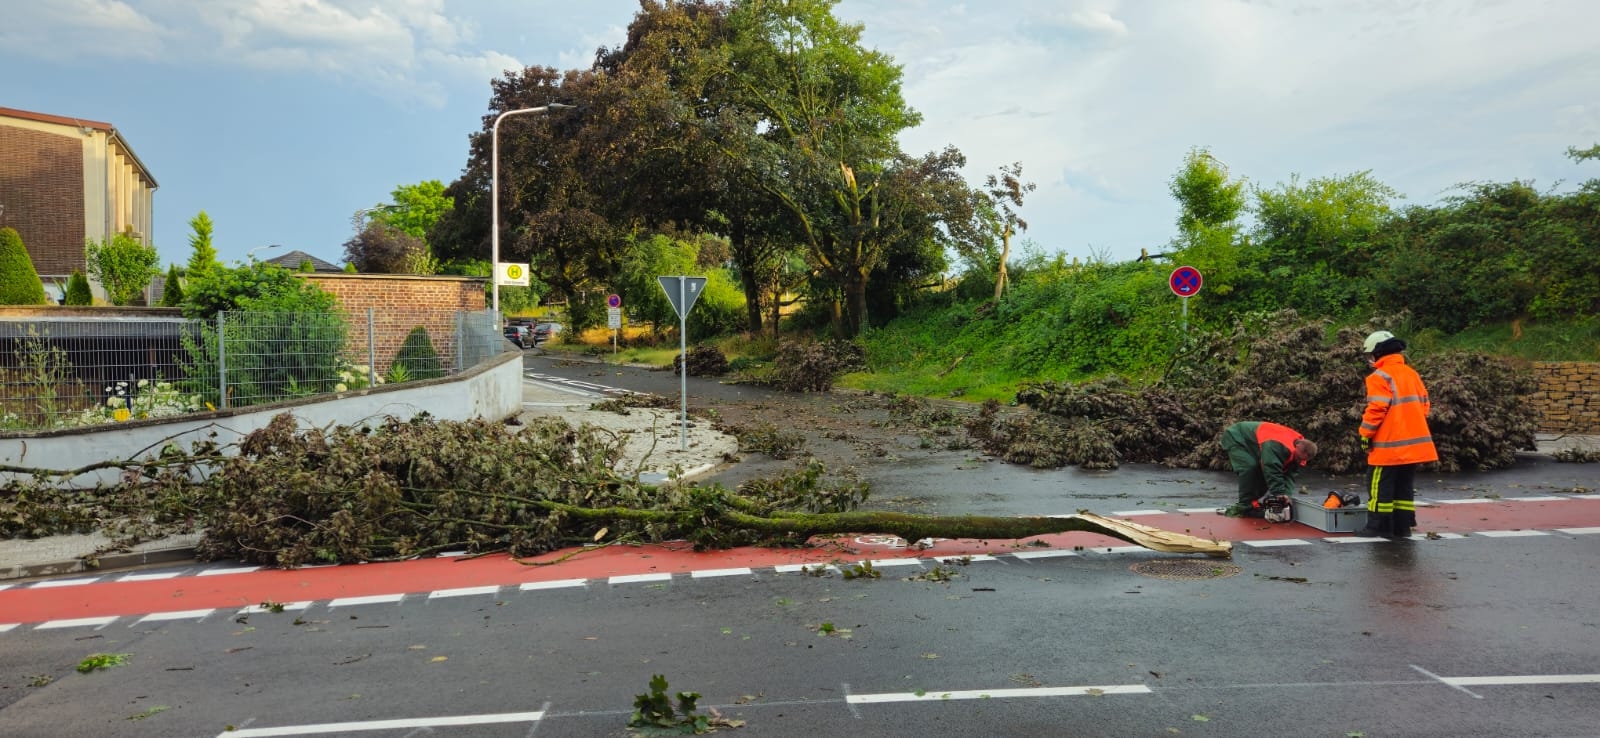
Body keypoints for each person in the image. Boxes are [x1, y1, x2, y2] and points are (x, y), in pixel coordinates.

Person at [1356, 331, 1438, 539]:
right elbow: (1425, 405)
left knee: (1378, 486)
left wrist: (1365, 433)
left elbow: (1377, 408)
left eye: (1371, 354)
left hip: (1388, 446)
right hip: (1413, 446)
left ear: (1378, 353)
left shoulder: (1379, 376)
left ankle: (1377, 526)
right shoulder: (1411, 373)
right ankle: (1402, 527)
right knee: (1404, 486)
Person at [1219, 421, 1319, 517]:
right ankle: (1245, 507)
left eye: (1302, 460)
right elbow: (1271, 470)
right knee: (1250, 468)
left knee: (1265, 472)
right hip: (1237, 436)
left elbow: (1289, 475)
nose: (1299, 461)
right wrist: (1279, 493)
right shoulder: (1278, 445)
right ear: (1297, 447)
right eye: (1298, 458)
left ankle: (1253, 503)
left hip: (1255, 444)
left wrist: (1286, 496)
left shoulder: (1299, 451)